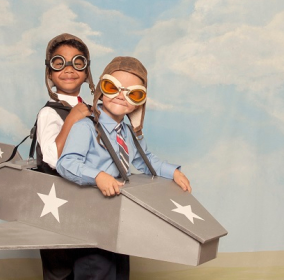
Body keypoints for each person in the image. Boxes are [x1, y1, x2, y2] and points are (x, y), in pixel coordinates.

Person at [56, 56, 192, 279]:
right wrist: (97, 176)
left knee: (119, 271)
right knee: (96, 269)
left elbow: (146, 160)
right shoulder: (85, 128)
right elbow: (66, 163)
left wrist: (173, 171)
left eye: (133, 93)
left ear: (140, 102)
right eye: (113, 87)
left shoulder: (129, 133)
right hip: (91, 217)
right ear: (101, 88)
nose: (121, 95)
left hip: (119, 217)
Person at [35, 33, 94, 280]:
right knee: (62, 270)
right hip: (58, 206)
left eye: (77, 62)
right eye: (59, 63)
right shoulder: (49, 113)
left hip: (87, 206)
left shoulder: (91, 110)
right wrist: (71, 119)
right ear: (49, 73)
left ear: (86, 71)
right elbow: (52, 158)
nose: (68, 69)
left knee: (91, 264)